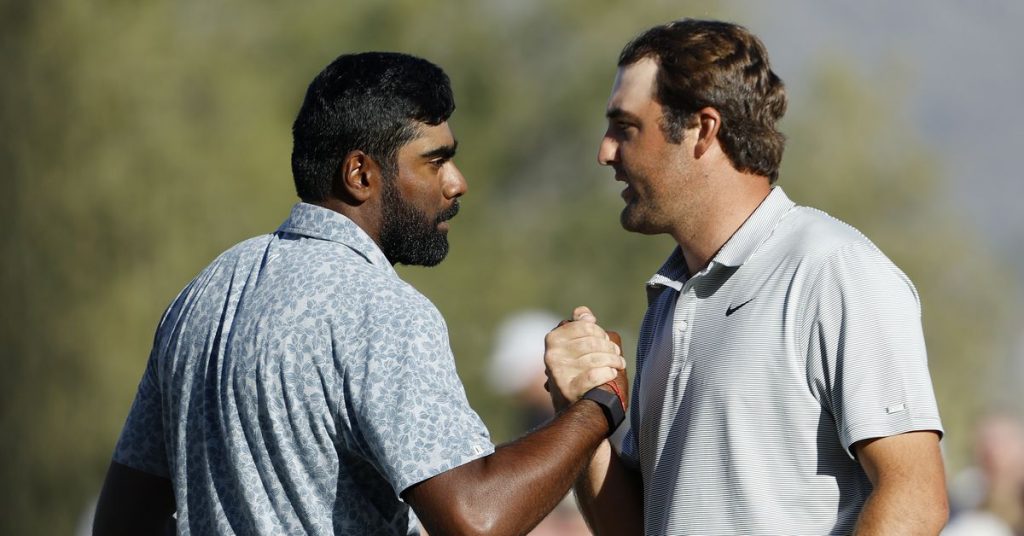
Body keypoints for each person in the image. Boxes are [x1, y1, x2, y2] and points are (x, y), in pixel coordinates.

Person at [93, 51, 627, 536]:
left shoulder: (204, 293)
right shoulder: (379, 308)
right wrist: (596, 407)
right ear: (359, 174)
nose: (457, 182)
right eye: (435, 161)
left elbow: (120, 521)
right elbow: (477, 519)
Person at [544, 19, 948, 534]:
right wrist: (581, 417)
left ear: (703, 129)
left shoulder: (831, 269)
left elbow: (915, 499)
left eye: (625, 127)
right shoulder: (668, 301)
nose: (605, 152)